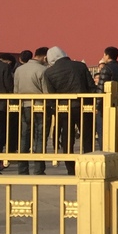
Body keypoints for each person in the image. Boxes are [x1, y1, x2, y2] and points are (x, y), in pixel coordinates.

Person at [42, 47, 97, 175]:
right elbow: (91, 87)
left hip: (64, 108)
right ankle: (89, 166)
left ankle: (70, 168)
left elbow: (52, 94)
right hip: (84, 106)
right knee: (87, 137)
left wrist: (56, 110)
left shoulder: (49, 73)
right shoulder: (80, 66)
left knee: (67, 138)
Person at [13, 47, 50, 174]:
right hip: (40, 106)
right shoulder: (43, 70)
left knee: (24, 136)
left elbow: (16, 90)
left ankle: (22, 169)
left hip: (24, 106)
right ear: (45, 57)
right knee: (40, 137)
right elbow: (46, 91)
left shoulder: (19, 70)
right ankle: (39, 169)